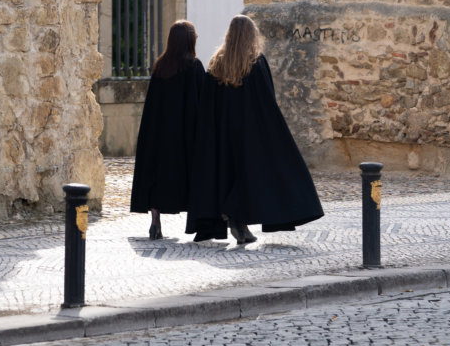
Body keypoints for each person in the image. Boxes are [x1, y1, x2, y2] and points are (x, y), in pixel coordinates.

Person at [186, 14, 324, 244]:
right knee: (249, 177)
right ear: (252, 36)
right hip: (250, 135)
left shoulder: (216, 64)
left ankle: (236, 220)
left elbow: (208, 105)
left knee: (227, 175)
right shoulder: (256, 64)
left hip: (221, 135)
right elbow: (267, 103)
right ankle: (238, 220)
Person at [130, 20, 206, 240]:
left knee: (157, 176)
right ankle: (199, 221)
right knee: (191, 176)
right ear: (189, 40)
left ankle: (155, 223)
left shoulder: (160, 66)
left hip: (159, 135)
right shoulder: (193, 66)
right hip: (184, 136)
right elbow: (201, 104)